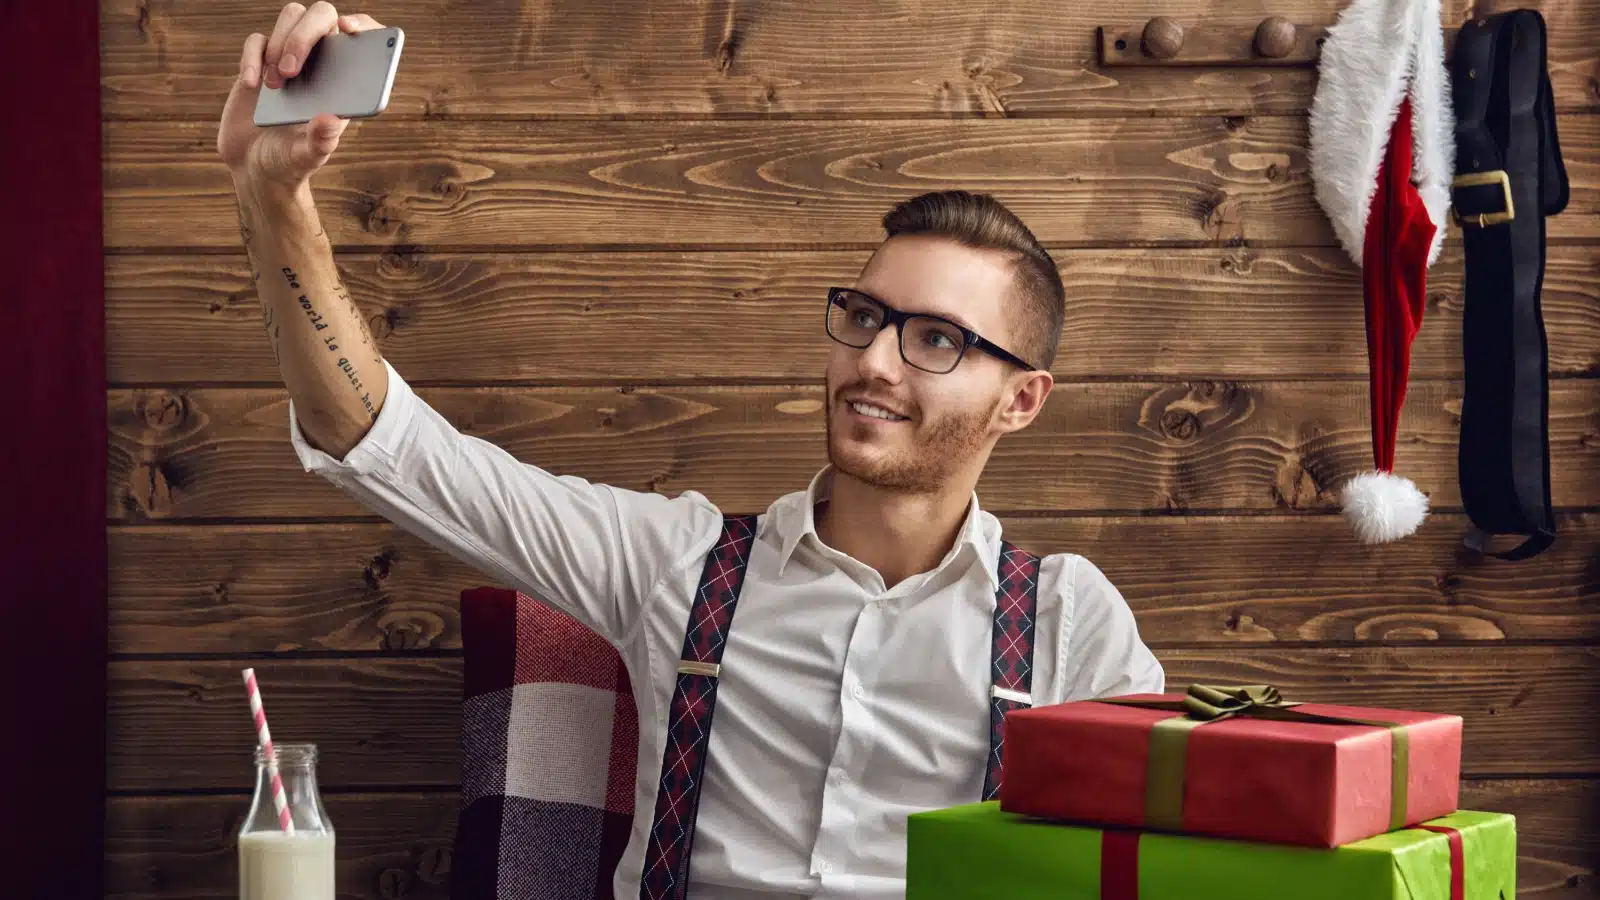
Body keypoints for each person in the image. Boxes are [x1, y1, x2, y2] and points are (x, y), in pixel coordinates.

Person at [218, 5, 1164, 898]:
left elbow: (1149, 871)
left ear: (1021, 400)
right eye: (865, 316)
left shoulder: (1068, 624)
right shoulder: (678, 563)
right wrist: (273, 193)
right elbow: (383, 444)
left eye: (937, 339)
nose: (874, 362)